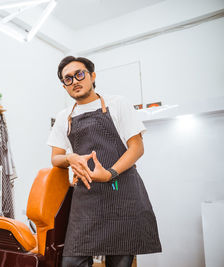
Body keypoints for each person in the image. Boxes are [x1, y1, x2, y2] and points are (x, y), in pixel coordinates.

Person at [48, 56, 162, 267]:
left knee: (119, 261)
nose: (74, 81)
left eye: (79, 74)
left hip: (122, 194)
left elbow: (137, 147)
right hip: (87, 197)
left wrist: (110, 173)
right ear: (64, 86)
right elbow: (55, 158)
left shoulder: (117, 103)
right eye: (68, 79)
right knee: (71, 261)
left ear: (92, 76)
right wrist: (70, 157)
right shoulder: (64, 117)